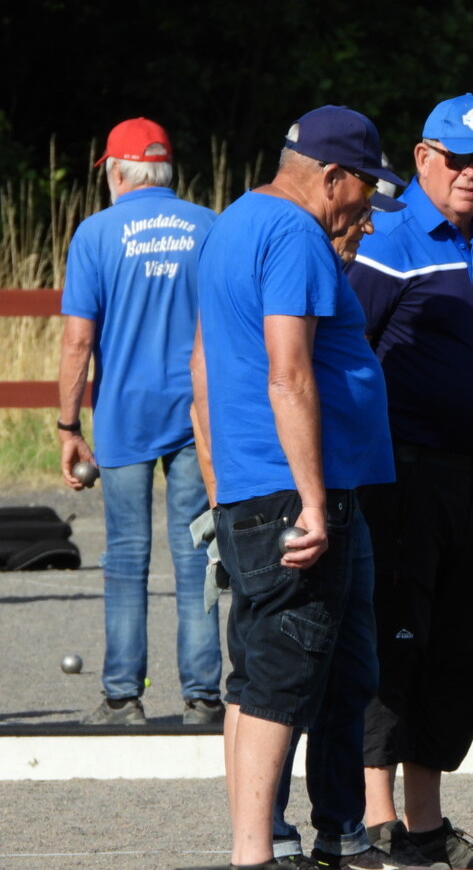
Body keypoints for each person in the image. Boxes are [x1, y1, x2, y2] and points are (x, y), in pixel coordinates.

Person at [194, 104, 403, 870]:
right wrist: (312, 502)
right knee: (279, 678)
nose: (368, 209)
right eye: (366, 189)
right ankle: (257, 852)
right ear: (333, 176)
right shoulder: (295, 234)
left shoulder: (231, 224)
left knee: (314, 668)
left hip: (263, 485)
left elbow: (202, 365)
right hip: (297, 492)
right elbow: (289, 374)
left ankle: (332, 836)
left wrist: (218, 480)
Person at [347, 93, 473, 870]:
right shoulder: (386, 238)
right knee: (397, 641)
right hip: (404, 476)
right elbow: (347, 352)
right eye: (458, 160)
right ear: (423, 158)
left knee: (461, 651)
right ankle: (376, 820)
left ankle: (425, 823)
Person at [57, 117, 222, 727]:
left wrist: (68, 427)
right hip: (196, 412)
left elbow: (78, 342)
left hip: (125, 413)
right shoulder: (209, 226)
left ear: (117, 172)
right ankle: (203, 696)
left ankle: (123, 696)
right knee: (196, 551)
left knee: (126, 555)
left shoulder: (96, 233)